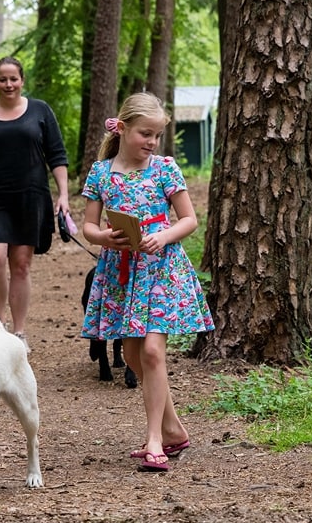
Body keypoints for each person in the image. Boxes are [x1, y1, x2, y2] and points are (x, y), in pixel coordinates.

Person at [81, 92, 214, 472]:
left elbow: (189, 219)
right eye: (145, 134)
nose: (152, 143)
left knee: (153, 352)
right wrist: (105, 237)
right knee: (132, 356)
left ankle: (155, 439)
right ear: (122, 129)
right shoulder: (101, 172)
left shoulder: (165, 169)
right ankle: (173, 429)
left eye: (157, 135)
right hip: (121, 271)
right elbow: (89, 226)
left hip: (159, 269)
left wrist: (166, 235)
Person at [0, 56, 70, 352]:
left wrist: (64, 195)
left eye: (14, 79)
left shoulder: (40, 111)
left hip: (30, 196)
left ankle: (18, 333)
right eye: (2, 79)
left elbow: (57, 155)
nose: (9, 84)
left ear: (22, 80)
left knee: (21, 265)